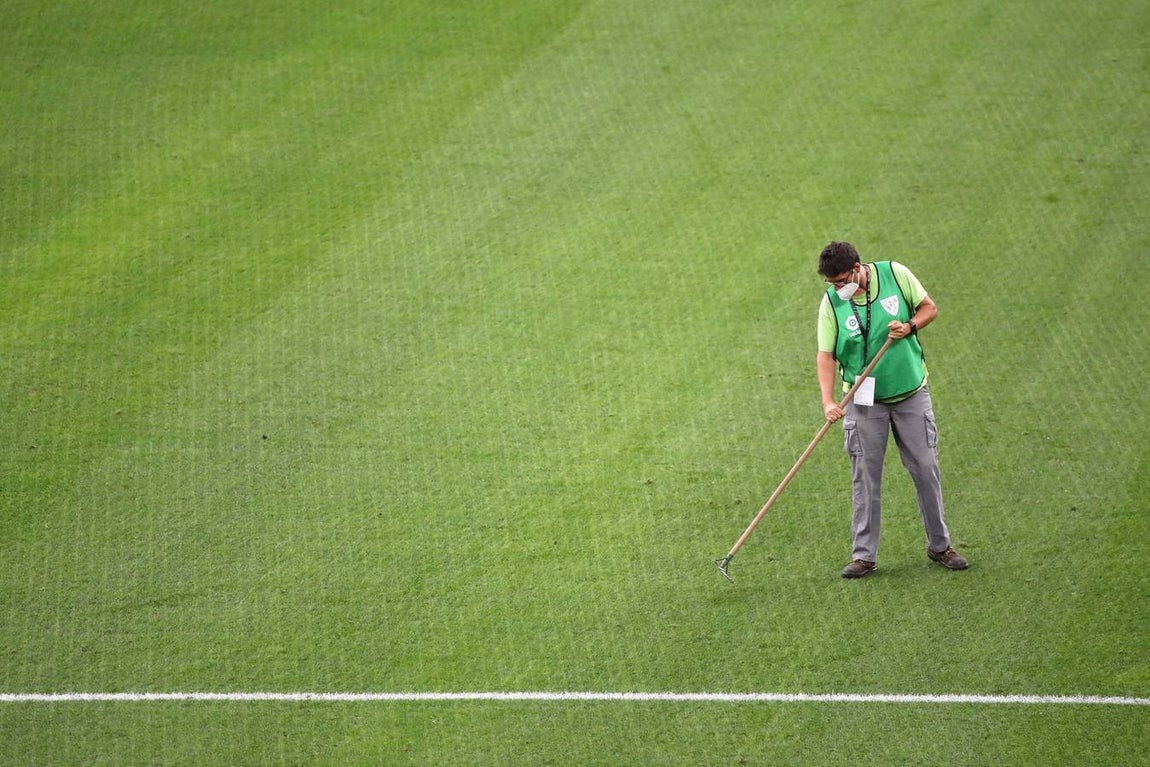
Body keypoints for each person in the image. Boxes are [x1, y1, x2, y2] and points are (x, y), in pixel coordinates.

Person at [815, 241, 968, 578]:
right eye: (831, 283)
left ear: (857, 268)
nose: (837, 288)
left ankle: (940, 546)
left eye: (841, 281)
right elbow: (826, 355)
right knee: (865, 477)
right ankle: (864, 556)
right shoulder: (831, 304)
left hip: (911, 393)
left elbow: (928, 308)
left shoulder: (895, 274)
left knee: (925, 469)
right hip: (862, 402)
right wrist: (828, 401)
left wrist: (910, 326)